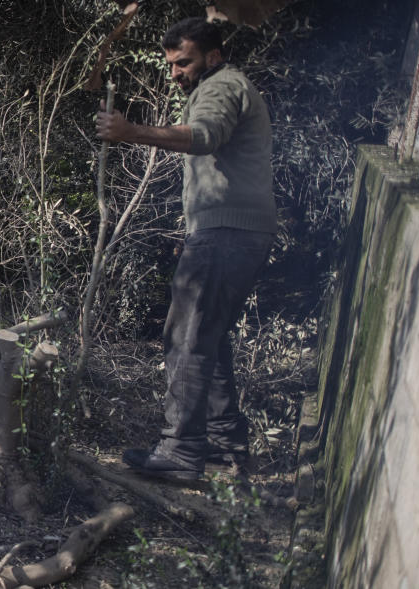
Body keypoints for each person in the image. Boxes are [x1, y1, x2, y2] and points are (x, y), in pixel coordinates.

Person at [95, 17, 276, 481]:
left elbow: (204, 136)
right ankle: (222, 443)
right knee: (208, 339)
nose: (175, 72)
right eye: (171, 64)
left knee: (187, 338)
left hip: (228, 234)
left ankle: (182, 451)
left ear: (213, 56)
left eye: (184, 62)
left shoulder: (221, 87)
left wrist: (130, 131)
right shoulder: (224, 86)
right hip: (231, 233)